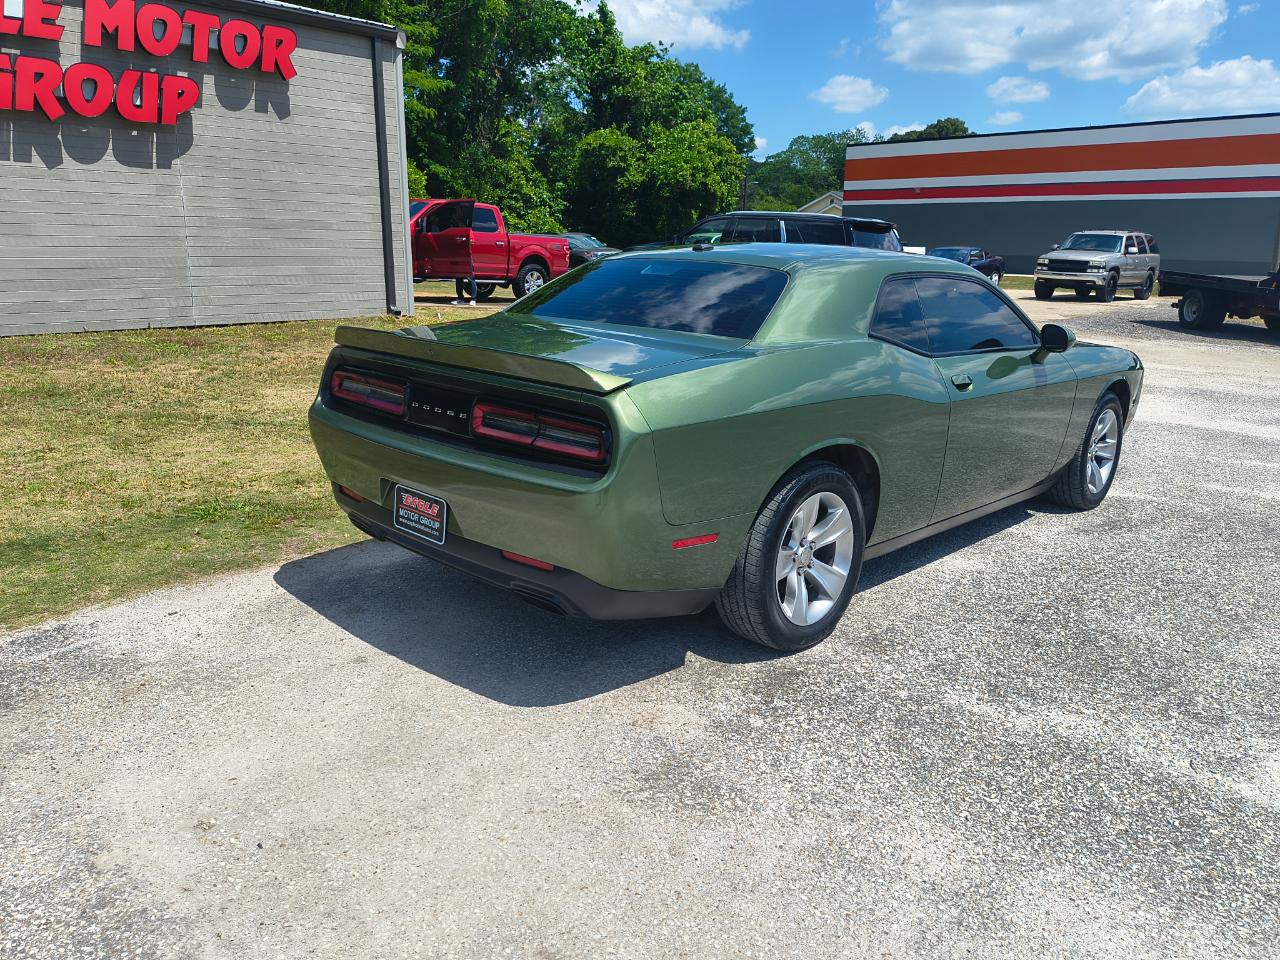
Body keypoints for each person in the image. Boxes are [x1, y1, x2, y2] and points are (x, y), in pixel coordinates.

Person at [450, 206, 477, 306]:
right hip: (459, 256)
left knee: (470, 278)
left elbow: (472, 242)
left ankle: (473, 299)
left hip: (467, 256)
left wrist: (463, 240)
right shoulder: (456, 230)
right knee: (458, 278)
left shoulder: (469, 231)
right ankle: (460, 298)